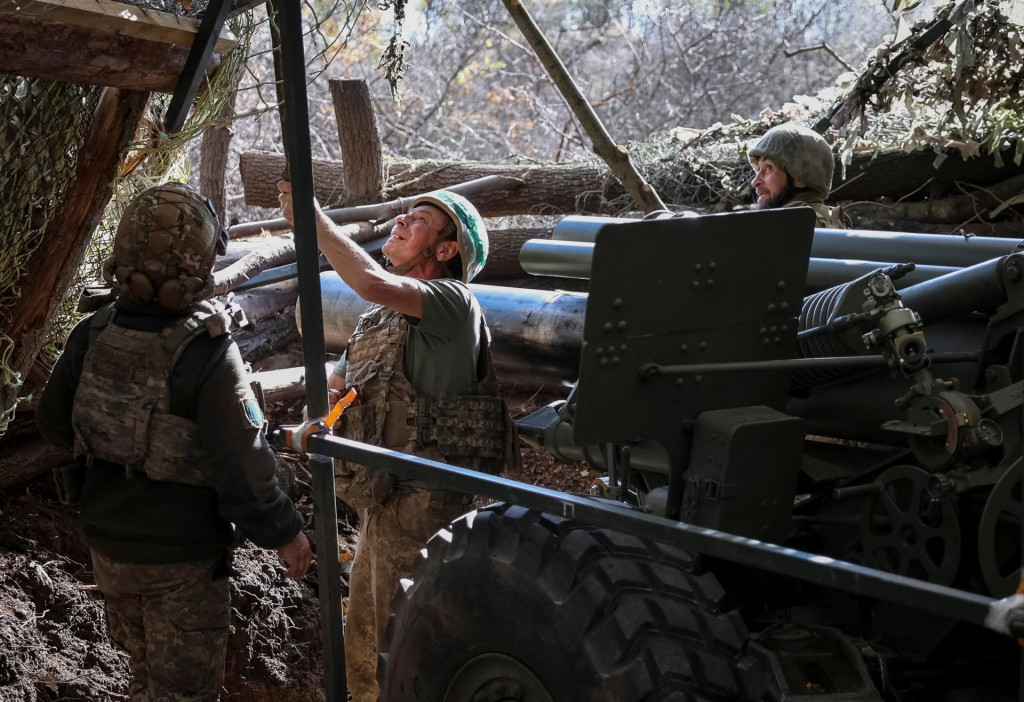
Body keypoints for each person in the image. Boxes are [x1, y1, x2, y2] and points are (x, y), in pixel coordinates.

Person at [36, 182, 311, 701]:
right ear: (200, 264)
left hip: (108, 548)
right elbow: (243, 465)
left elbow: (53, 426)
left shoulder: (94, 331)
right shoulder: (207, 351)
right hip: (181, 560)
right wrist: (286, 533)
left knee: (143, 679)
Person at [278, 182, 509, 702]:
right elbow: (341, 386)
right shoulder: (379, 319)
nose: (401, 222)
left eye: (420, 220)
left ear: (445, 250)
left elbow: (367, 280)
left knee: (402, 647)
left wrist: (313, 220)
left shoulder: (453, 302)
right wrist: (323, 414)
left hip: (427, 502)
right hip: (383, 498)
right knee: (364, 644)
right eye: (405, 215)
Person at [748, 122, 852, 228]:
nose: (755, 181)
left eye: (768, 168)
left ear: (800, 178)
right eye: (759, 169)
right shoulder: (832, 221)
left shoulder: (784, 226)